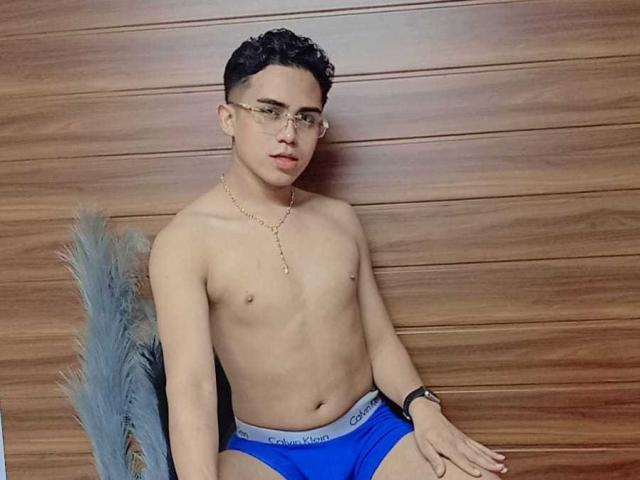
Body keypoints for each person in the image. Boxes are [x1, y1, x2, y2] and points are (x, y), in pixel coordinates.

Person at [148, 27, 508, 480]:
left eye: (306, 118)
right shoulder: (184, 242)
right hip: (266, 454)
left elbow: (379, 341)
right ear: (228, 118)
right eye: (269, 112)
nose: (288, 134)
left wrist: (422, 405)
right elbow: (192, 388)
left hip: (371, 433)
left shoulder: (340, 219)